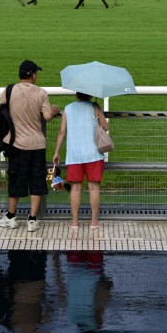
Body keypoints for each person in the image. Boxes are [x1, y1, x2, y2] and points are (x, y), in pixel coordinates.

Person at [0, 61, 62, 232]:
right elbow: (46, 116)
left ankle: (11, 216)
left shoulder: (8, 90)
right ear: (32, 75)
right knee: (37, 180)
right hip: (37, 144)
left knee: (16, 179)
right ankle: (32, 219)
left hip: (17, 144)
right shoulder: (41, 93)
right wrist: (54, 110)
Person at [52, 92, 108, 230]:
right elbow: (106, 127)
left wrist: (57, 152)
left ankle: (75, 222)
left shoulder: (68, 109)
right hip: (93, 154)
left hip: (74, 154)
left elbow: (62, 132)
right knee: (94, 188)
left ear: (77, 93)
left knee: (76, 188)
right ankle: (94, 222)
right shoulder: (95, 106)